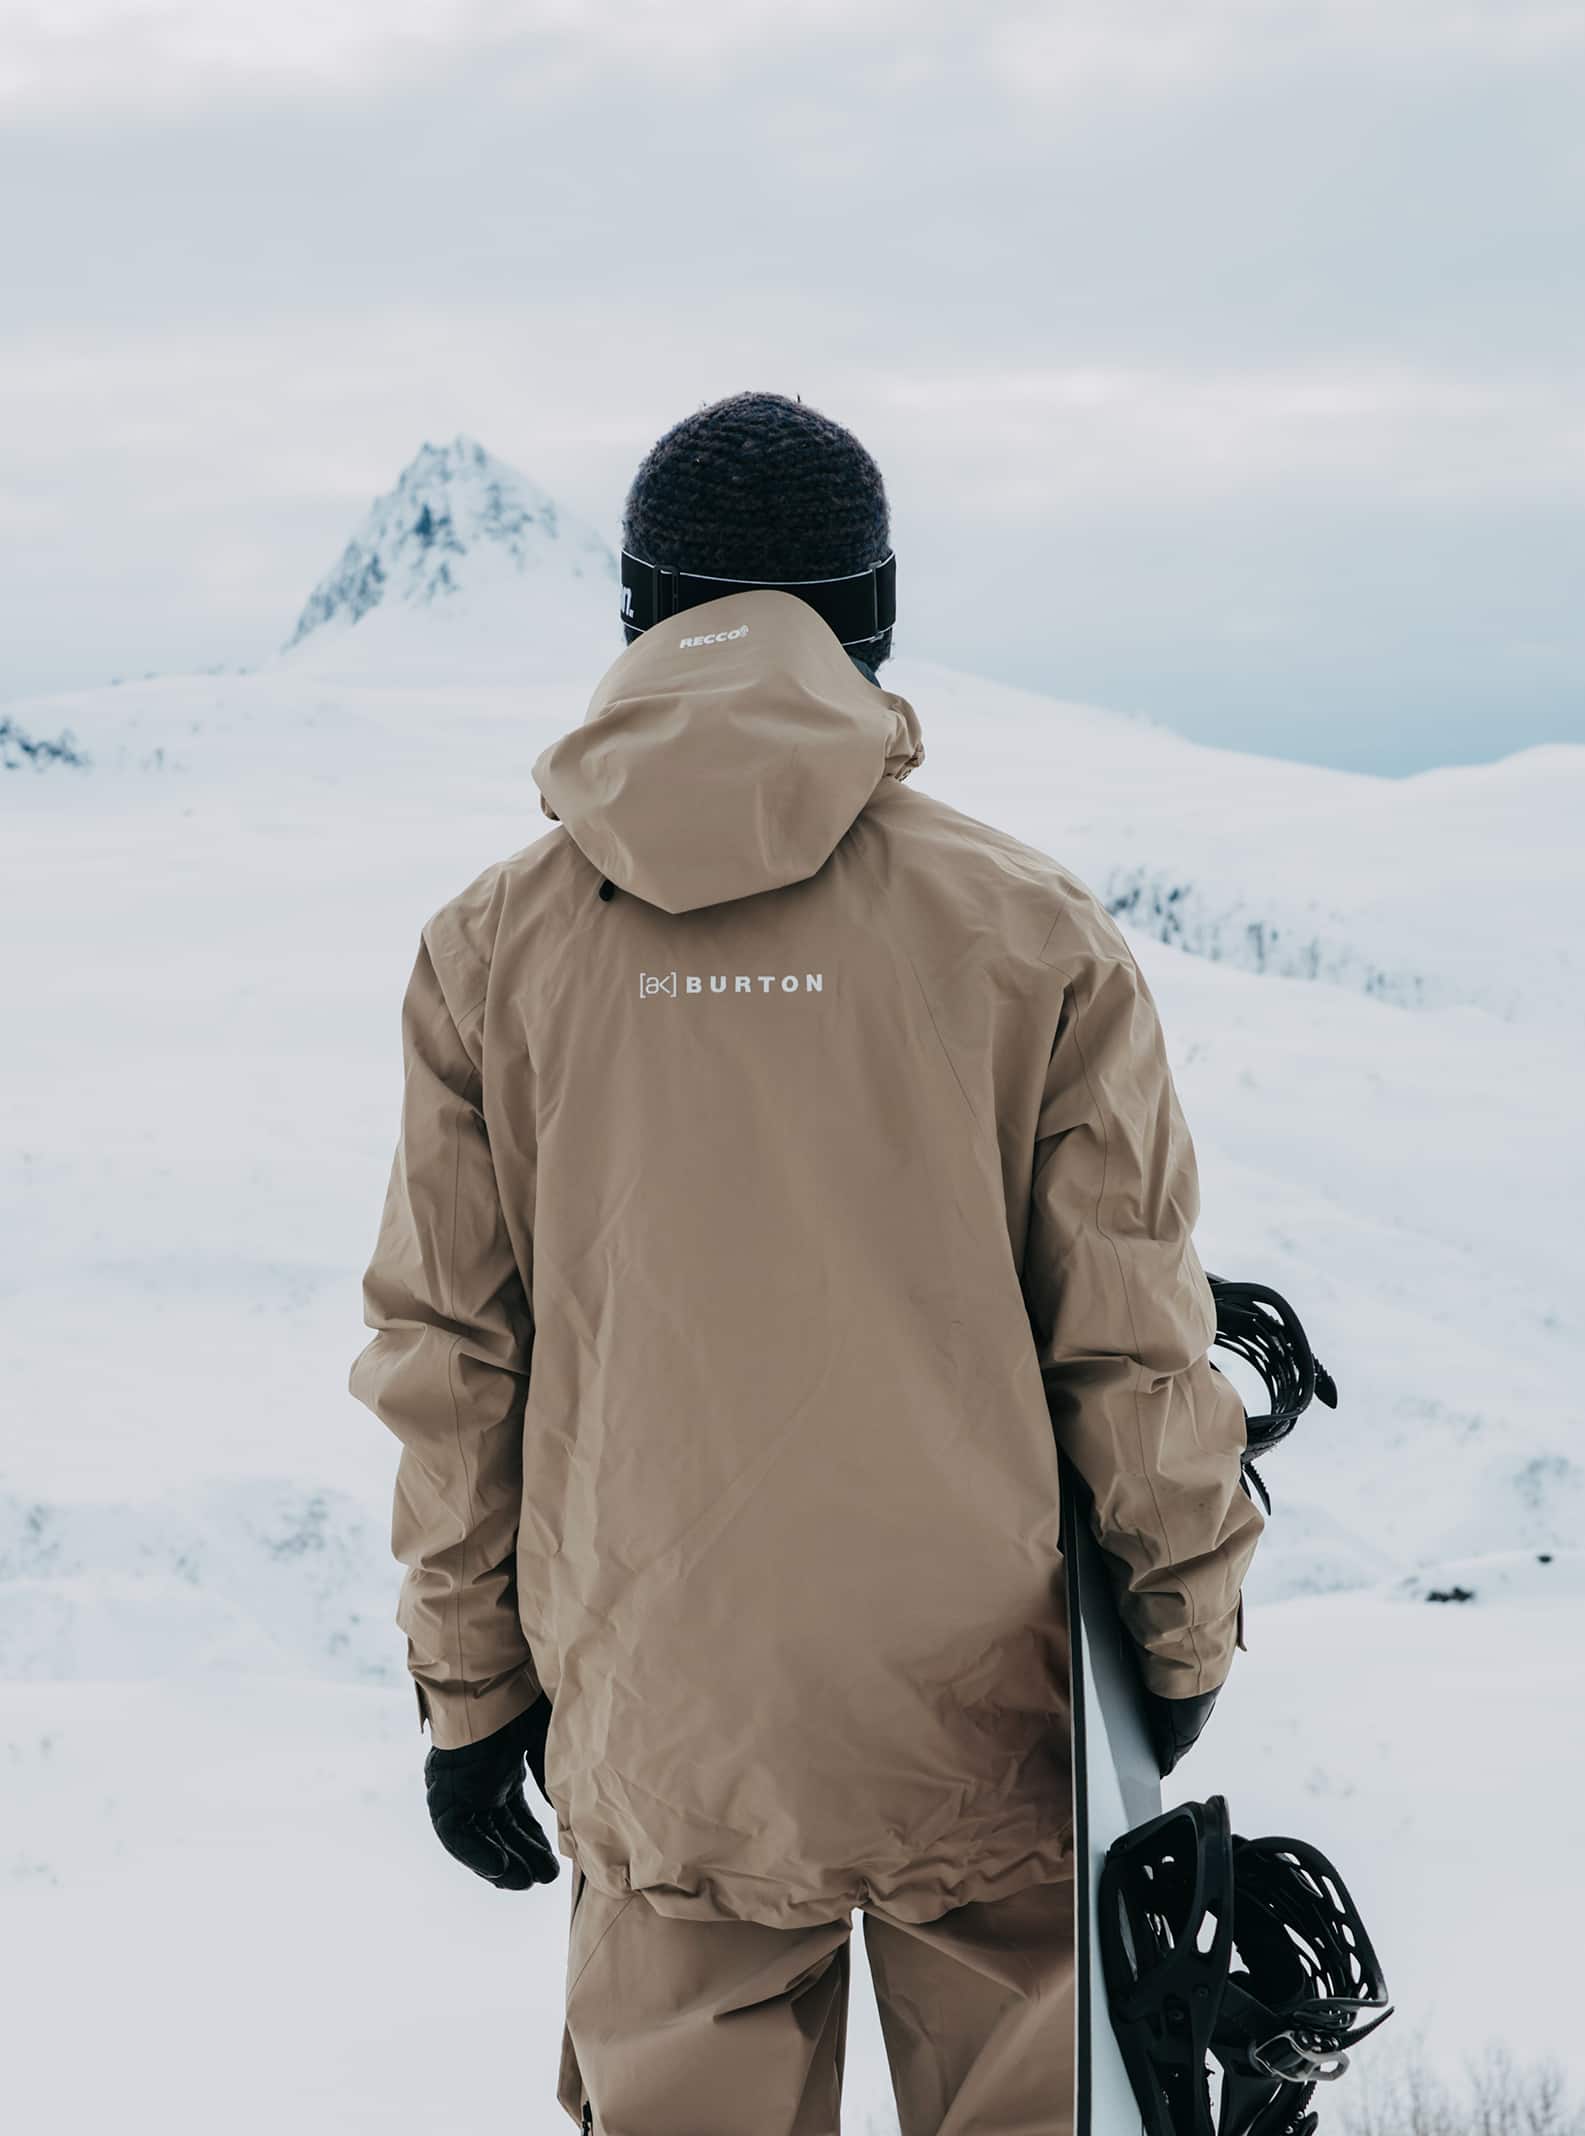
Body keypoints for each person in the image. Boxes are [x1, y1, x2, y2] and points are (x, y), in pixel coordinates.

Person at [348, 390, 1263, 2135]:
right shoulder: (1029, 930)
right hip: (989, 1718)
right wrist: (1180, 1635)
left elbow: (451, 1360)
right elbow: (1130, 1343)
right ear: (877, 617)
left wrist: (468, 1698)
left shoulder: (491, 947)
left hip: (659, 1713)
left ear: (637, 614)